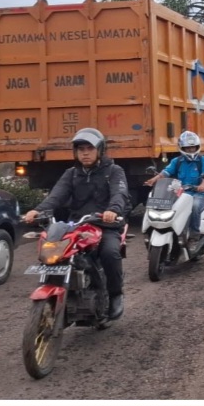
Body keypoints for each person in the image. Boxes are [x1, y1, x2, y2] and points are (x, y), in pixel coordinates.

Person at [23, 127, 129, 321]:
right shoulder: (71, 173)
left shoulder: (114, 171)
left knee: (109, 252)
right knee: (56, 250)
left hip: (105, 224)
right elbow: (56, 195)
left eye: (90, 148)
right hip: (77, 224)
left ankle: (115, 294)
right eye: (81, 149)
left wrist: (112, 210)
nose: (85, 153)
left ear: (100, 150)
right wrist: (38, 211)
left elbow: (119, 193)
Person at [145, 130, 204, 240]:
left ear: (197, 147)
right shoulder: (177, 161)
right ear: (182, 148)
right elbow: (166, 172)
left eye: (193, 147)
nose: (191, 150)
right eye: (187, 148)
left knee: (195, 206)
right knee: (167, 207)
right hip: (180, 193)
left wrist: (202, 186)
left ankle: (194, 233)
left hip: (198, 194)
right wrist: (154, 179)